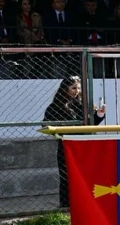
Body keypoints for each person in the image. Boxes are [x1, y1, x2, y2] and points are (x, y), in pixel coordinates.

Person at [43, 76, 105, 207]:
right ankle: (66, 205)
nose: (76, 91)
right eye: (73, 88)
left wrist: (99, 114)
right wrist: (61, 132)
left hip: (83, 144)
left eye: (78, 88)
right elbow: (46, 124)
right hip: (67, 145)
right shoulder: (56, 106)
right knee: (66, 176)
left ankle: (85, 203)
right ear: (65, 89)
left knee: (85, 175)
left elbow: (91, 125)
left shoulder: (83, 105)